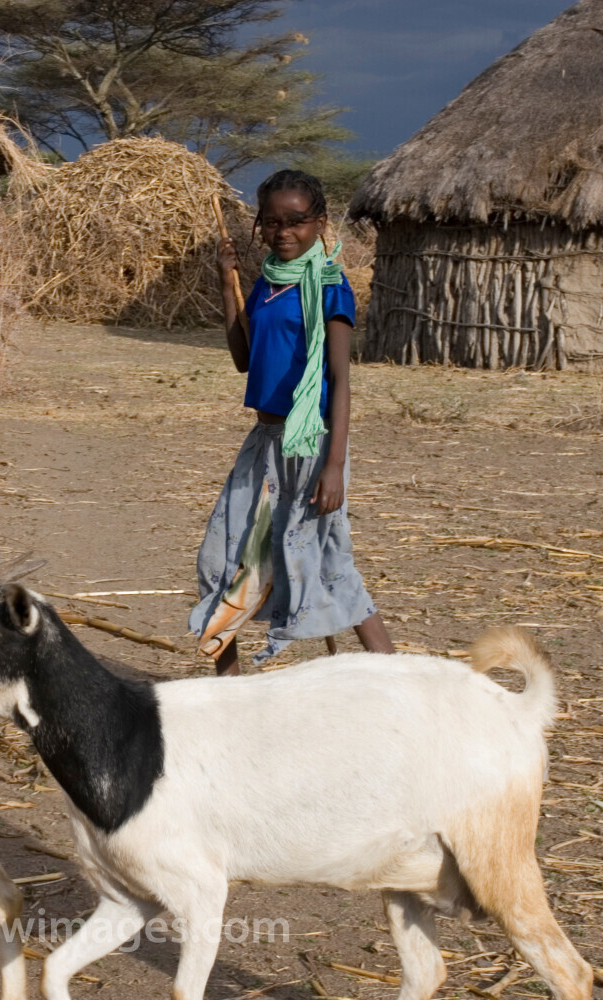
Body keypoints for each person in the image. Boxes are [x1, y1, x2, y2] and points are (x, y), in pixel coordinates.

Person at [189, 169, 394, 676]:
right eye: (272, 222)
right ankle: (229, 694)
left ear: (319, 223)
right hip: (264, 442)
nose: (283, 232)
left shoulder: (330, 286)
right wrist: (227, 286)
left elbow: (341, 381)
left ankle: (400, 681)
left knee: (327, 564)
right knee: (221, 559)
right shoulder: (265, 284)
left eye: (296, 221)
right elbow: (244, 360)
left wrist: (334, 466)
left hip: (312, 444)